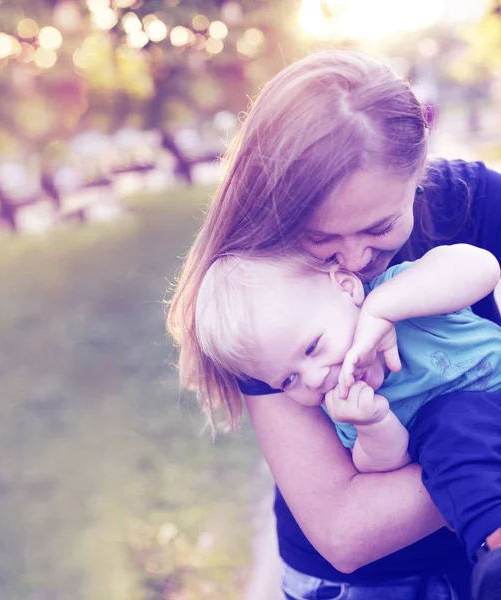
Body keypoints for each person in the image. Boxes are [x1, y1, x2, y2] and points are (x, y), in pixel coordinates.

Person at [166, 49, 501, 599]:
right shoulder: (259, 288)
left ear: (419, 174)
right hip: (372, 583)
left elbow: (476, 270)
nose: (353, 261)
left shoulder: (469, 199)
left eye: (380, 226)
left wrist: (381, 307)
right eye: (320, 239)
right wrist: (477, 451)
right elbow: (345, 528)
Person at [193, 244, 501, 592]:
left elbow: (482, 267)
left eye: (311, 348)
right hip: (458, 436)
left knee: (453, 425)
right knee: (446, 432)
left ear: (346, 288)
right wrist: (372, 424)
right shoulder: (340, 404)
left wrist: (382, 308)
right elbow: (387, 465)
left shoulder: (400, 292)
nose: (313, 378)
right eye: (288, 380)